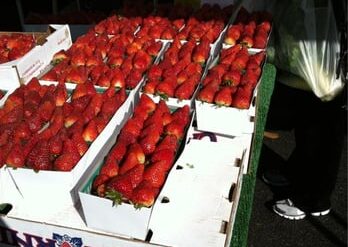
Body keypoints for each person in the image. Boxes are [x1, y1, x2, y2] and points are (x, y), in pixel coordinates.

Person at [261, 0, 347, 220]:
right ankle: (296, 171)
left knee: (322, 120)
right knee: (306, 110)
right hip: (311, 28)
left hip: (330, 35)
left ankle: (312, 198)